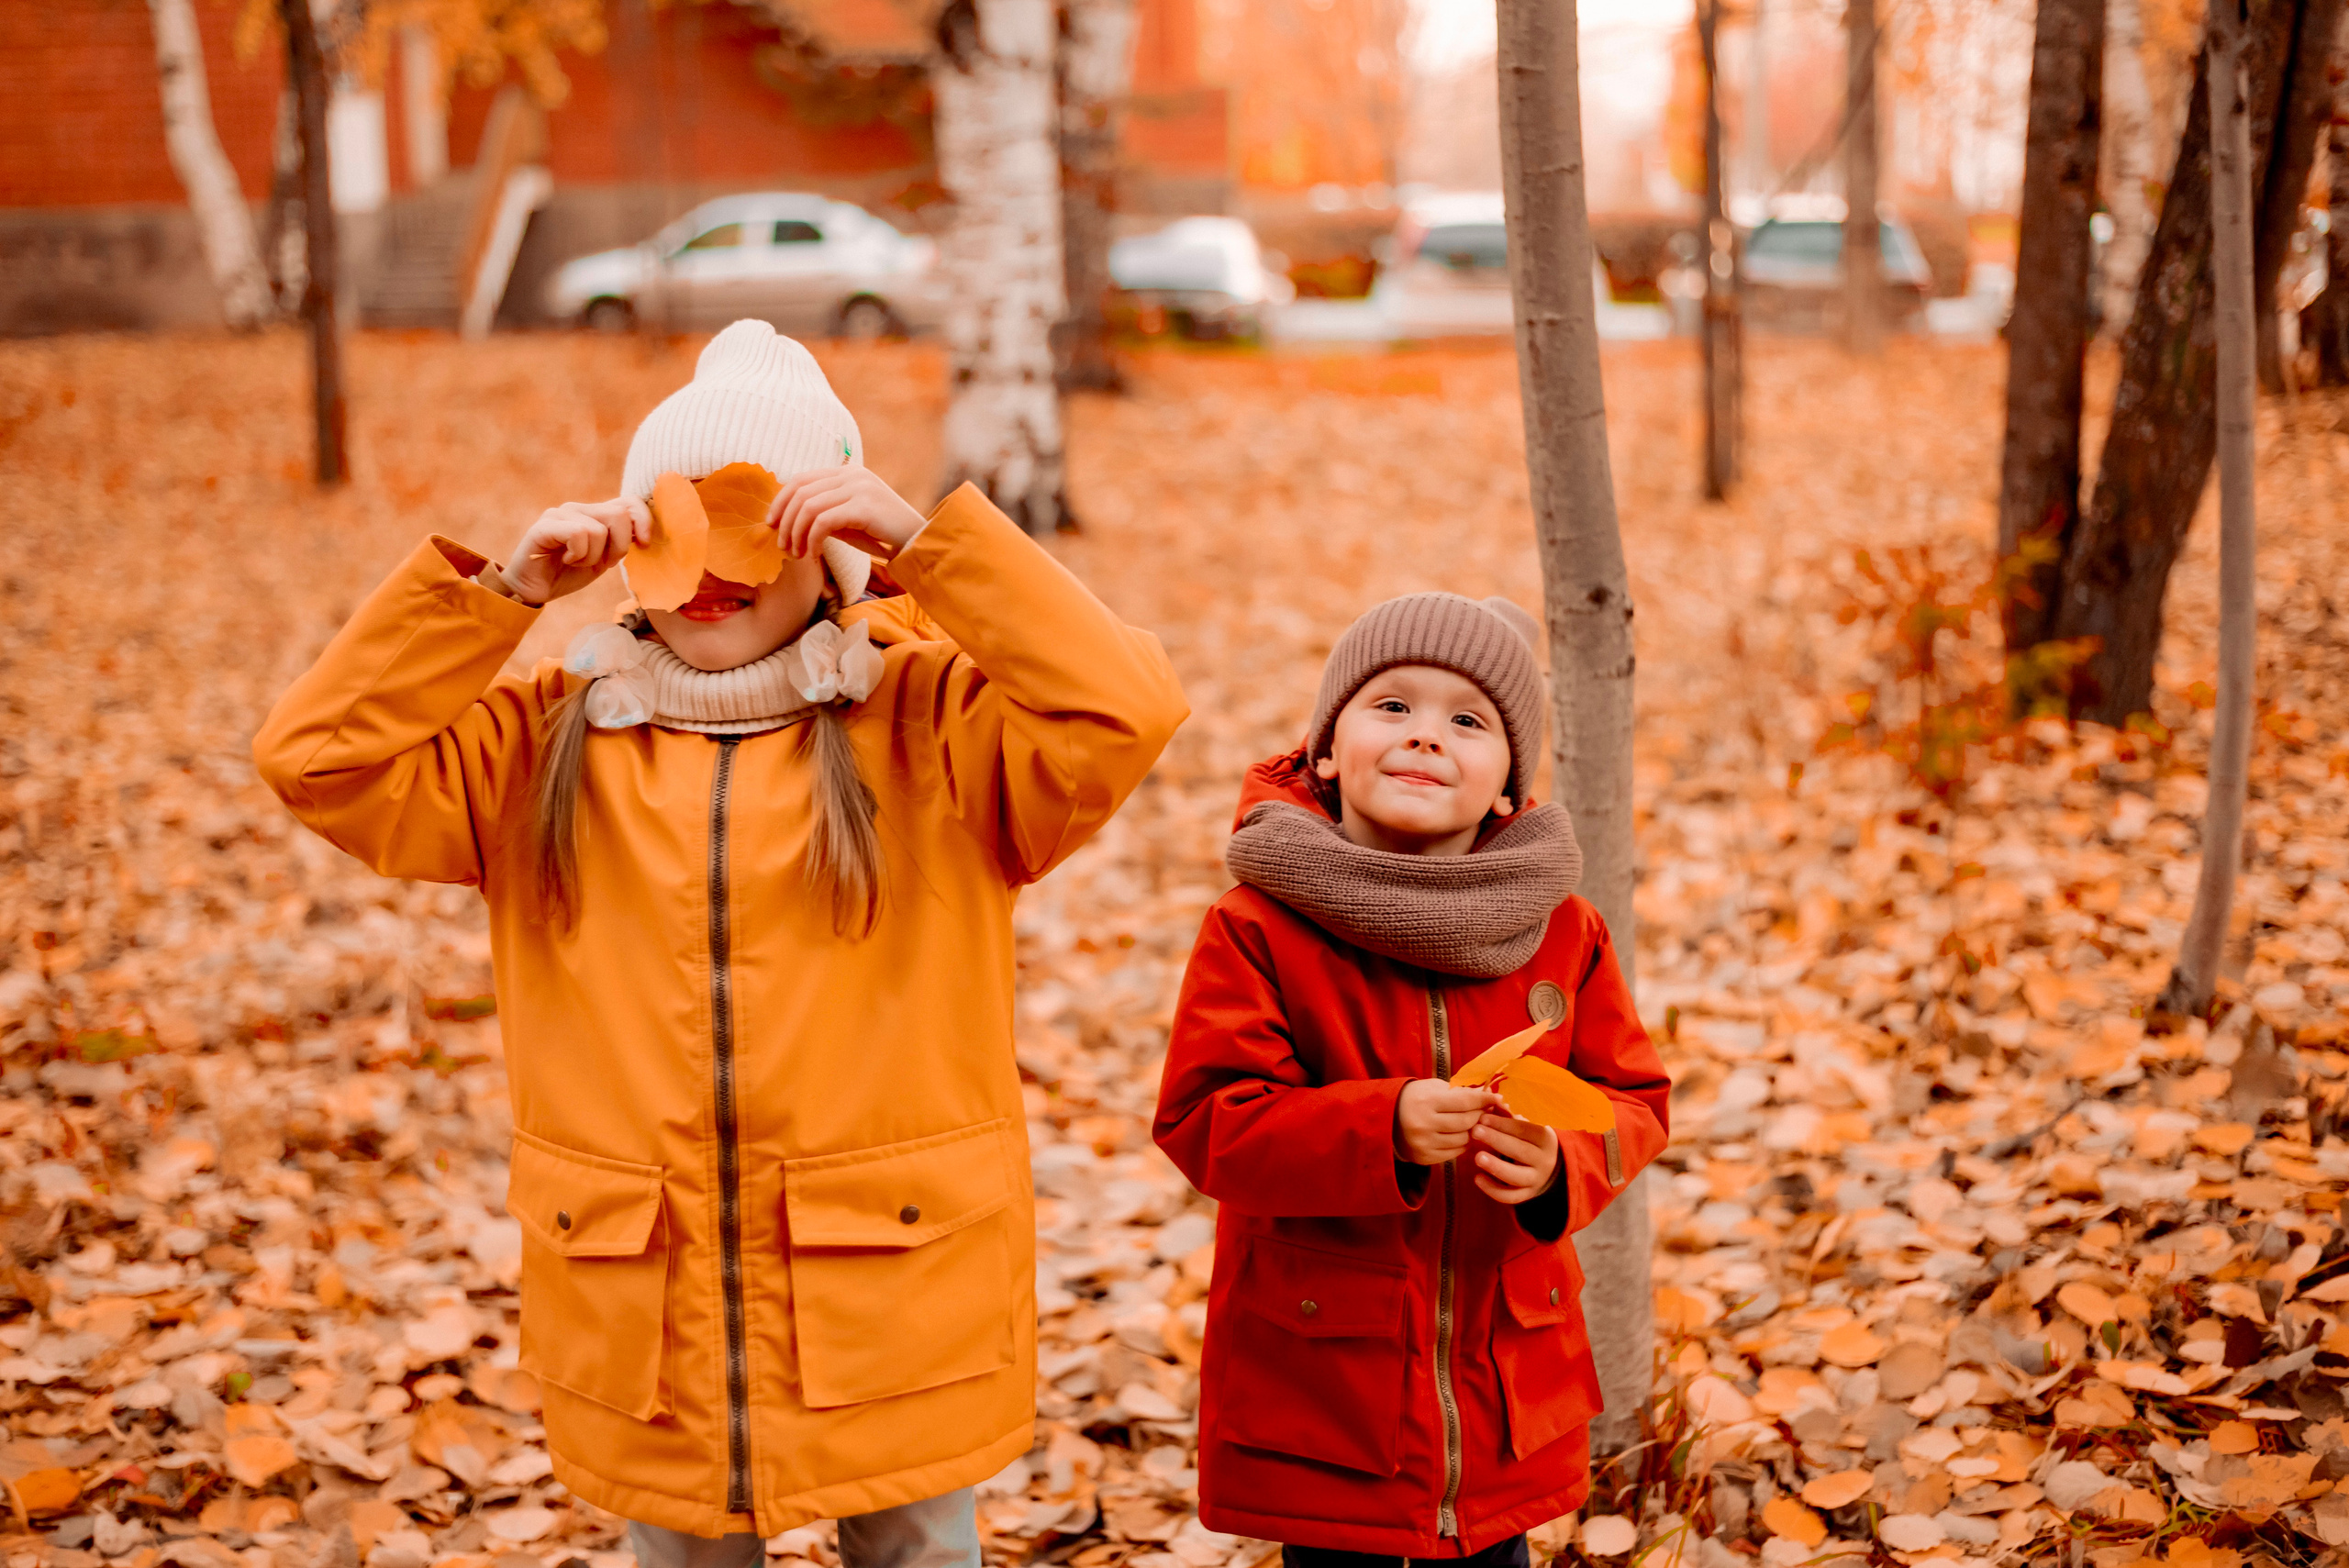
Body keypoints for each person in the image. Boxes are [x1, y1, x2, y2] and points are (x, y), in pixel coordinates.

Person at [254, 320, 1188, 1568]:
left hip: (895, 1294)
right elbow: (314, 758)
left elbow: (1124, 708)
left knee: (917, 1547)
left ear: (830, 548)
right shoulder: (538, 746)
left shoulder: (937, 729)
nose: (709, 570)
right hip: (649, 1309)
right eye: (674, 521)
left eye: (754, 524)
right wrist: (501, 599)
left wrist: (930, 550)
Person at [1153, 593, 1669, 1566]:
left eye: (1468, 720)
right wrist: (1379, 1126)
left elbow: (1633, 1100)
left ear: (1508, 787)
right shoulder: (1258, 926)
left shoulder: (1561, 930)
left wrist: (1558, 1165)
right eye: (1391, 705)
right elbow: (1207, 1119)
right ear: (1325, 750)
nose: (1426, 734)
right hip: (1329, 1391)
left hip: (1502, 1390)